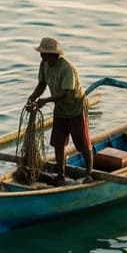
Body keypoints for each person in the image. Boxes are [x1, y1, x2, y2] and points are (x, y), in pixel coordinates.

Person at [26, 35, 93, 183]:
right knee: (58, 142)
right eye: (41, 54)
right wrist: (33, 97)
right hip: (61, 109)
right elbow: (41, 85)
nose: (42, 57)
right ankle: (61, 175)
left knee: (82, 143)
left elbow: (66, 92)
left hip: (75, 107)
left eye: (45, 54)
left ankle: (89, 174)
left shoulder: (67, 68)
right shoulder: (44, 65)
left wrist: (45, 100)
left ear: (54, 55)